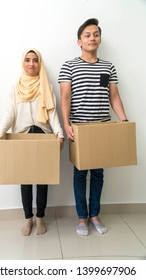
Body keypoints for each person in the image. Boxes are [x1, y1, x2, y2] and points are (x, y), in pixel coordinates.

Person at [58, 18, 128, 236]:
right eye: (87, 35)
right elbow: (65, 97)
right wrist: (67, 124)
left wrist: (124, 121)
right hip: (79, 128)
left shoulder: (108, 66)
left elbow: (114, 96)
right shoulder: (69, 66)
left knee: (98, 173)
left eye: (96, 34)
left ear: (100, 38)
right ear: (79, 41)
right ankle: (82, 217)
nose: (92, 38)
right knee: (80, 174)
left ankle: (95, 215)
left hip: (102, 128)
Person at [0, 48, 64, 236]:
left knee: (42, 180)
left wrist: (59, 132)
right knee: (24, 180)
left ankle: (40, 218)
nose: (31, 64)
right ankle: (28, 219)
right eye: (27, 60)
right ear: (22, 63)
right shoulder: (15, 86)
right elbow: (10, 113)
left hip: (43, 135)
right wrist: (0, 133)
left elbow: (51, 112)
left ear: (40, 63)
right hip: (22, 136)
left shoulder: (46, 86)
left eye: (35, 60)